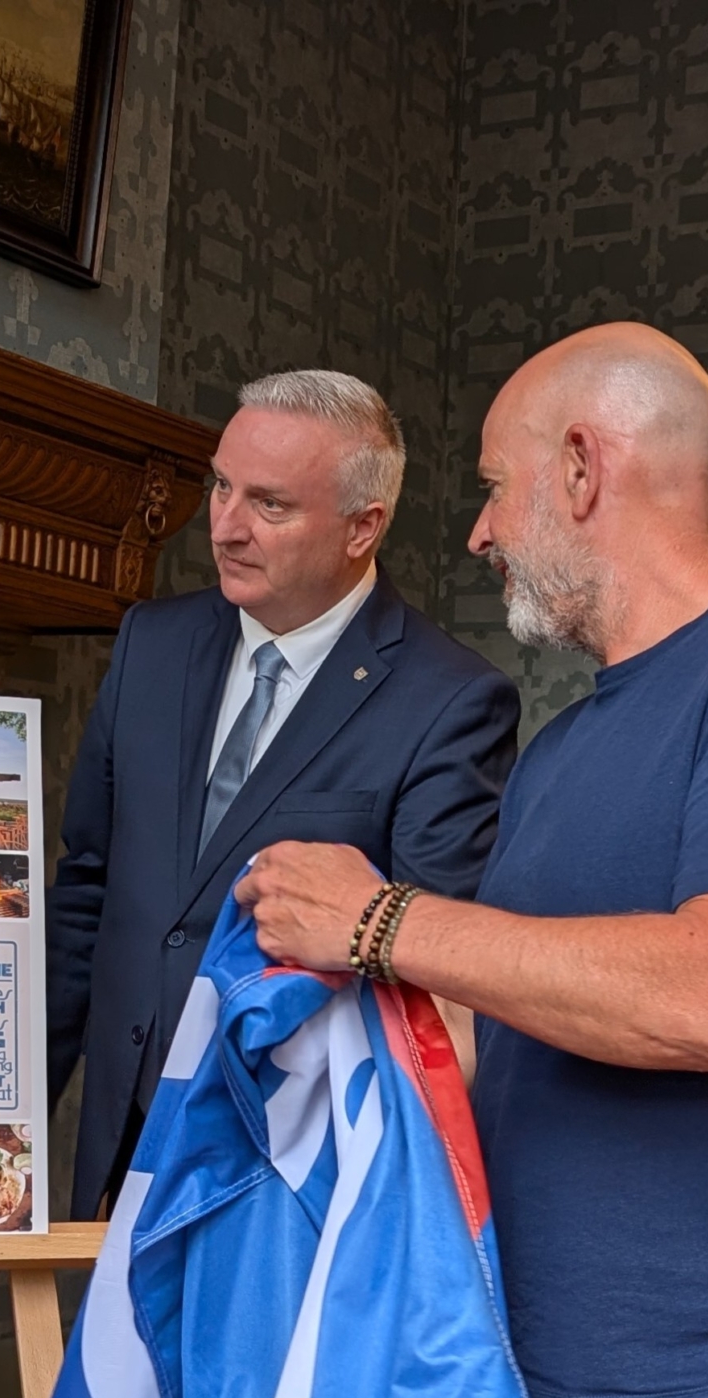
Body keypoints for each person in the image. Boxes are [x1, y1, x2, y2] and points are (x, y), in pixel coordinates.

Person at [234, 323, 708, 1398]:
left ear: (584, 469)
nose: (479, 531)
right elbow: (500, 1024)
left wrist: (379, 920)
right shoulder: (559, 748)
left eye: (495, 487)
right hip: (543, 1375)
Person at [47, 369, 520, 1221]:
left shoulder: (451, 703)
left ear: (362, 526)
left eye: (269, 504)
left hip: (287, 1180)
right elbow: (88, 894)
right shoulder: (151, 643)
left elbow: (434, 983)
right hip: (121, 1149)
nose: (225, 526)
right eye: (221, 486)